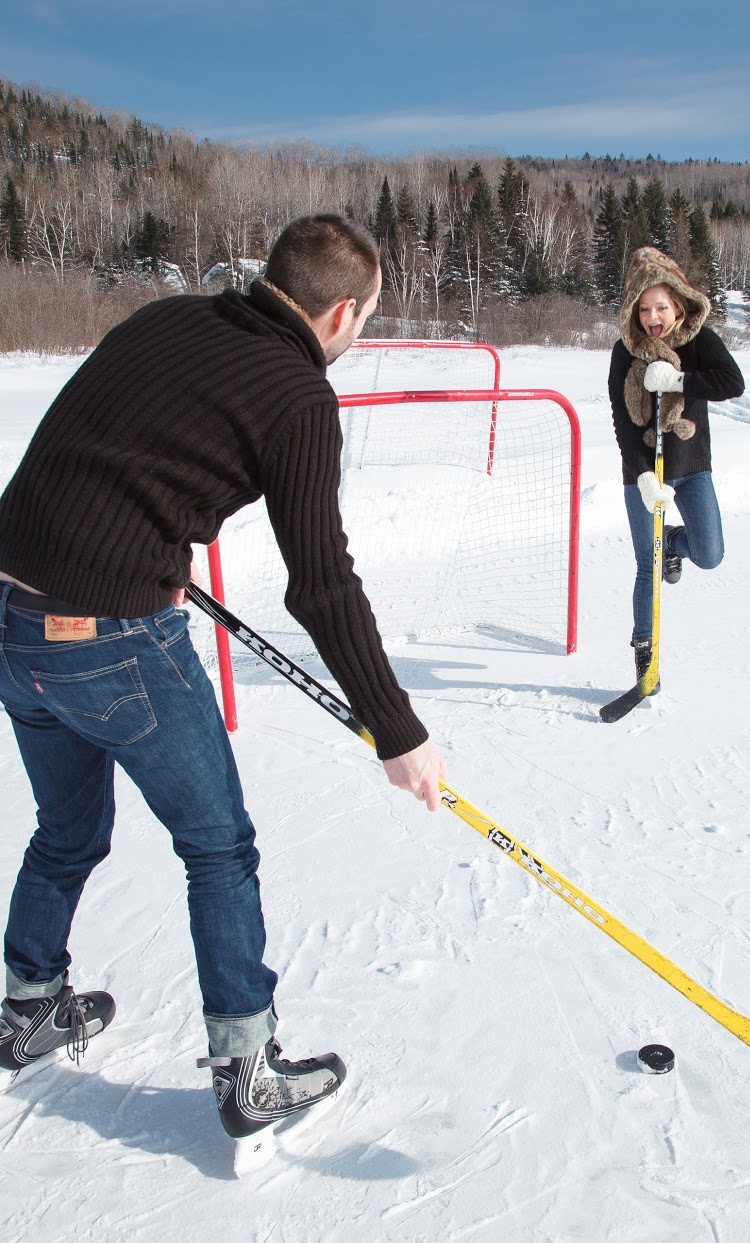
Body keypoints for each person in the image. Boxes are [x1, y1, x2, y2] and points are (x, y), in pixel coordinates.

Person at [0, 215, 445, 1156]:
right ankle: (247, 1069)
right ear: (340, 311)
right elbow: (321, 583)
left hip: (14, 621)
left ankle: (28, 1007)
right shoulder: (297, 396)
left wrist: (146, 535)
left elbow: (101, 451)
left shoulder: (166, 318)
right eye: (365, 320)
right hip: (111, 636)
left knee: (69, 829)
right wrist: (397, 729)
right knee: (218, 846)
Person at [608, 246, 745, 688]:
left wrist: (681, 380)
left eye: (661, 307)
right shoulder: (623, 352)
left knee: (710, 552)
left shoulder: (698, 340)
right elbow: (621, 420)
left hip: (690, 465)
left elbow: (733, 382)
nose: (653, 318)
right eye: (645, 308)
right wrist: (642, 475)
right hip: (644, 475)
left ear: (679, 305)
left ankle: (671, 543)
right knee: (646, 568)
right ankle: (645, 663)